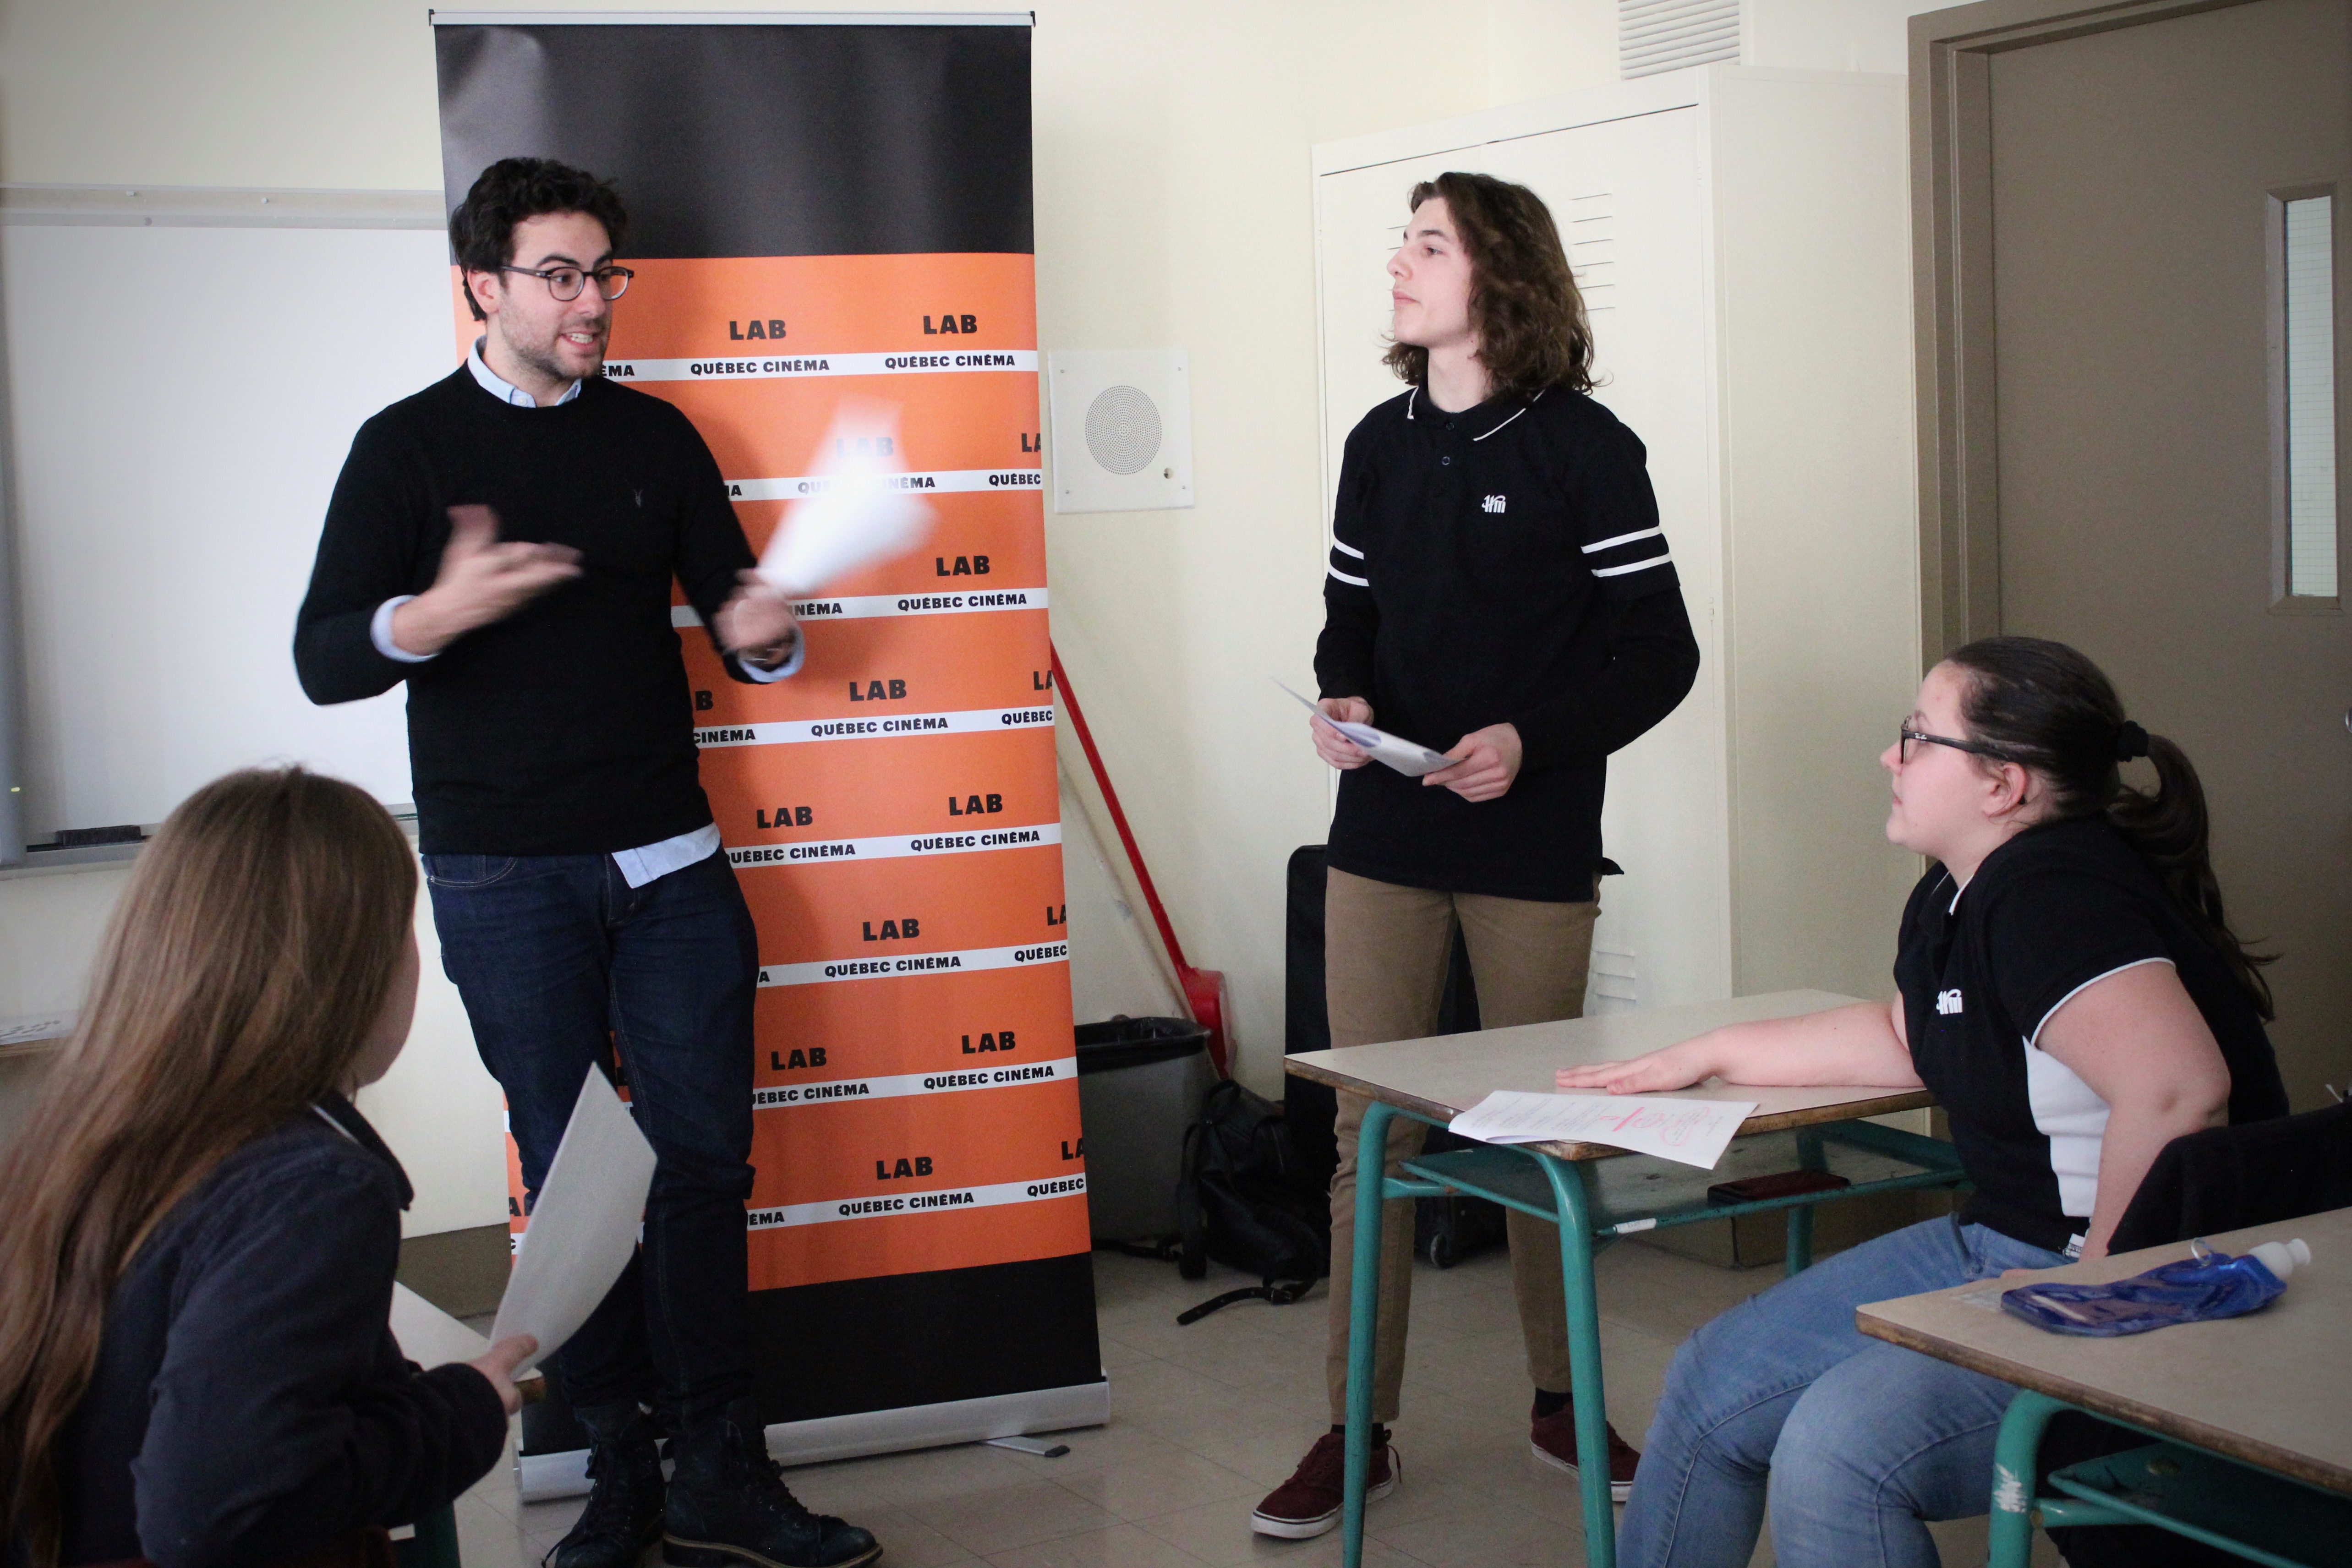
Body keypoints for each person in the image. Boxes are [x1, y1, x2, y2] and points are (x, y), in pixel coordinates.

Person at [293, 159, 878, 1568]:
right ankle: (620, 1468)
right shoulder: (405, 449)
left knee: (702, 1164)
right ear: (482, 286)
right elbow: (323, 661)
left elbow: (752, 631)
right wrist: (427, 615)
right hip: (504, 874)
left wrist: (765, 634)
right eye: (559, 274)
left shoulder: (657, 438)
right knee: (576, 1178)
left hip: (670, 862)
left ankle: (722, 1468)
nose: (591, 300)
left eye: (605, 272)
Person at [1562, 636, 2290, 1568]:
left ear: (2003, 784)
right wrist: (1700, 1053)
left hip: (2145, 1281)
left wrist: (2091, 1311)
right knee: (1712, 1379)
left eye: (1915, 737)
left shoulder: (2050, 889)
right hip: (2003, 1241)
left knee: (1837, 1451)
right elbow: (1910, 1034)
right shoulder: (1957, 888)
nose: (1887, 757)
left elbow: (2179, 1086)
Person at [1251, 171, 1701, 1541]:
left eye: (1425, 243)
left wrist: (1531, 739)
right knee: (1365, 1130)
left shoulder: (1583, 445)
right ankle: (1353, 1429)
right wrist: (1344, 703)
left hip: (1532, 839)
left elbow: (1658, 656)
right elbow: (1347, 619)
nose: (1398, 261)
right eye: (1403, 239)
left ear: (1496, 277)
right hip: (1380, 834)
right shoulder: (1375, 443)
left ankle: (1562, 1403)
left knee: (1534, 1128)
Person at [0, 767, 533, 1568]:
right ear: (348, 967)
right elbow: (218, 1508)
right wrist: (456, 1416)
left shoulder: (82, 1127)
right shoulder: (312, 1188)